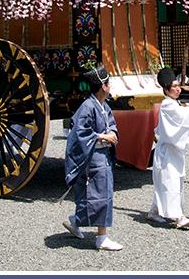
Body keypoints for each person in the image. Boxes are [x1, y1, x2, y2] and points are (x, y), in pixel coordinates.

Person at [62, 65, 123, 251]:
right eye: (108, 82)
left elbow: (111, 124)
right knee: (100, 194)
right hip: (92, 156)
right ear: (103, 86)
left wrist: (112, 133)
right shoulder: (87, 106)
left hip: (102, 155)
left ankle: (76, 220)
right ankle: (101, 237)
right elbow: (79, 132)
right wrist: (102, 136)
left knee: (99, 194)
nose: (110, 85)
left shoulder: (103, 106)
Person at [146, 68, 189, 229]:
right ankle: (178, 216)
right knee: (170, 181)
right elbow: (185, 116)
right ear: (166, 90)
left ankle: (154, 210)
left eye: (178, 85)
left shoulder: (173, 103)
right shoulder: (167, 104)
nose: (178, 88)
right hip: (168, 150)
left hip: (172, 149)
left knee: (169, 180)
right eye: (174, 86)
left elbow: (183, 114)